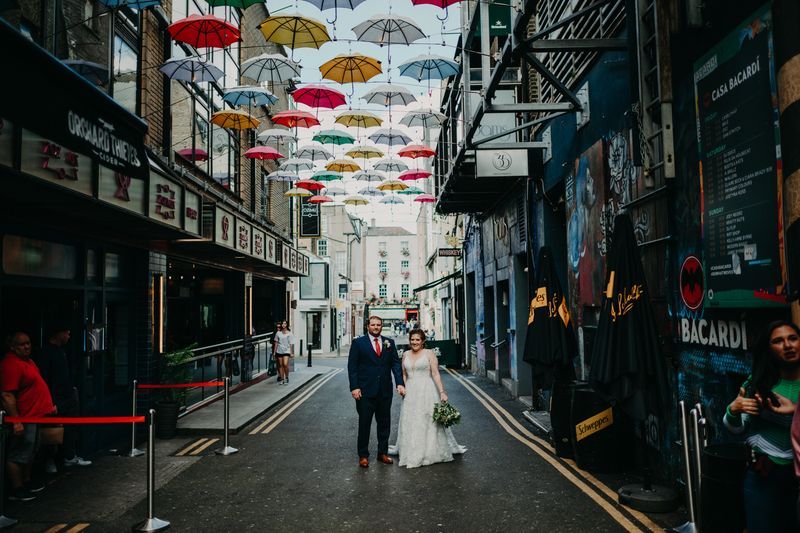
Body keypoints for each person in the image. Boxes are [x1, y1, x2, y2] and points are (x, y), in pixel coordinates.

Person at [724, 320, 800, 533]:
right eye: (778, 341)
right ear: (768, 349)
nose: (787, 345)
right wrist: (733, 410)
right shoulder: (758, 383)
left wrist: (794, 409)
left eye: (793, 338)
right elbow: (737, 429)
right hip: (764, 475)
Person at [389, 329, 466, 468]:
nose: (414, 342)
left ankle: (428, 451)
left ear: (423, 341)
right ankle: (410, 449)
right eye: (412, 339)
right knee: (411, 419)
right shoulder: (406, 354)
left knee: (427, 419)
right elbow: (404, 374)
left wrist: (442, 392)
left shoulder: (429, 354)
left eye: (418, 340)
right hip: (410, 392)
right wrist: (402, 386)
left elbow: (435, 374)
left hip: (427, 390)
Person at [1, 332, 57, 501]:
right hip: (23, 417)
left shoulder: (28, 361)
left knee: (30, 451)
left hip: (35, 416)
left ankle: (26, 482)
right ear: (13, 347)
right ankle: (17, 489)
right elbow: (7, 395)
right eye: (22, 344)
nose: (27, 347)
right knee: (18, 453)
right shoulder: (10, 364)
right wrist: (17, 421)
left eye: (28, 343)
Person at [348, 316, 405, 468]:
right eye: (373, 325)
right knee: (364, 424)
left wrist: (399, 383)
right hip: (365, 392)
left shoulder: (389, 343)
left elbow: (395, 365)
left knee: (384, 424)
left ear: (381, 326)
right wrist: (354, 387)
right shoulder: (358, 343)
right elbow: (352, 367)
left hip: (385, 391)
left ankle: (382, 453)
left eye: (378, 325)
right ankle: (363, 455)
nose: (375, 327)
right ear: (368, 326)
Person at [36, 325, 91, 471]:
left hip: (67, 396)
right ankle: (49, 460)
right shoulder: (47, 353)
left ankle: (68, 456)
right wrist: (50, 401)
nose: (68, 336)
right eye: (66, 332)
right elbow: (45, 379)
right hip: (55, 398)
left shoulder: (62, 351)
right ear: (58, 333)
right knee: (52, 429)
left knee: (70, 427)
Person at [272, 321, 294, 385]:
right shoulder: (278, 333)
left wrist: (291, 352)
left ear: (287, 325)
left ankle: (287, 377)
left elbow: (291, 343)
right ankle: (282, 379)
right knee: (280, 365)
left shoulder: (290, 333)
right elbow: (276, 343)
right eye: (282, 323)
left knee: (285, 364)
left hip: (286, 351)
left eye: (285, 323)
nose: (283, 325)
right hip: (279, 351)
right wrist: (274, 352)